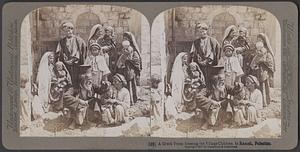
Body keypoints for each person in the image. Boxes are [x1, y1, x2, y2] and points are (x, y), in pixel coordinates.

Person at [62, 65, 102, 129]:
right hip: (78, 108)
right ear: (82, 80)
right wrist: (79, 101)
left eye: (91, 80)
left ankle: (95, 120)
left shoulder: (92, 86)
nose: (90, 82)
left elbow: (101, 90)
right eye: (87, 80)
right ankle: (74, 121)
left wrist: (105, 86)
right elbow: (65, 96)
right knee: (76, 114)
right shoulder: (75, 88)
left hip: (89, 107)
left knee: (96, 101)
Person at [56, 21, 87, 88]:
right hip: (66, 64)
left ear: (72, 30)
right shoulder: (62, 41)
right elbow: (59, 52)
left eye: (70, 30)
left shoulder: (78, 40)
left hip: (76, 64)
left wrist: (73, 60)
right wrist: (64, 59)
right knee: (67, 79)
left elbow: (80, 51)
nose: (68, 32)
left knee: (76, 79)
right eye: (66, 31)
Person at [115, 32, 142, 105]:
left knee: (130, 83)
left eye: (126, 39)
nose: (125, 40)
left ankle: (131, 100)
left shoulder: (133, 50)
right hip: (123, 70)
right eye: (124, 39)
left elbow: (137, 60)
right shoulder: (122, 49)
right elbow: (119, 59)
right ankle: (122, 100)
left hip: (130, 69)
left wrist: (129, 60)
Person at [250, 34, 275, 107]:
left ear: (264, 42)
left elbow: (269, 61)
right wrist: (255, 63)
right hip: (257, 71)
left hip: (263, 71)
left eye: (260, 40)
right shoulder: (257, 51)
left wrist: (262, 61)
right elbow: (254, 60)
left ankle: (265, 101)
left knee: (263, 85)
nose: (259, 41)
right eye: (258, 40)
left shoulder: (266, 51)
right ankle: (258, 101)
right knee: (257, 84)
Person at [32, 51, 56, 117]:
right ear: (47, 59)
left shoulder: (50, 66)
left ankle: (47, 106)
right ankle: (43, 107)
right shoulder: (43, 68)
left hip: (49, 84)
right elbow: (42, 79)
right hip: (44, 85)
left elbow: (52, 75)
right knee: (44, 93)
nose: (52, 59)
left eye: (53, 58)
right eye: (50, 58)